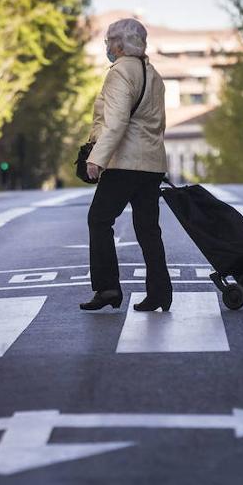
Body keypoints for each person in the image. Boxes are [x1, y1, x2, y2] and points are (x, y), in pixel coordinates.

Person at [80, 18, 171, 312]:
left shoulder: (120, 72)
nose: (107, 46)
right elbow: (160, 124)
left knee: (99, 219)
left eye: (109, 41)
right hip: (152, 163)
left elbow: (116, 121)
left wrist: (97, 158)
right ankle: (160, 291)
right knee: (148, 229)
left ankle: (107, 289)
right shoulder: (152, 73)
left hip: (124, 163)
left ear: (119, 44)